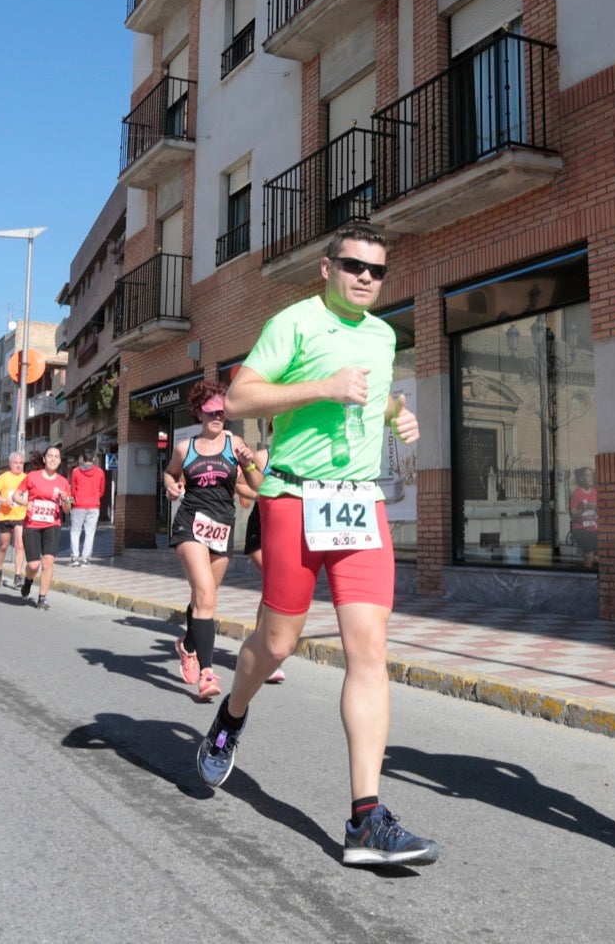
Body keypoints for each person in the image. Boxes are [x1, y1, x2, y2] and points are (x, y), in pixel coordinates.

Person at [195, 225, 436, 868]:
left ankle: (366, 816)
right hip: (293, 498)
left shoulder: (383, 336)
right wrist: (321, 388)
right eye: (353, 265)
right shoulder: (293, 322)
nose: (365, 277)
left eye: (376, 271)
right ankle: (232, 717)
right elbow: (241, 396)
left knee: (369, 650)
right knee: (277, 643)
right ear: (326, 269)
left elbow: (375, 399)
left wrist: (397, 415)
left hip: (358, 503)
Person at [165, 382, 258, 700]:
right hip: (190, 525)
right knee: (205, 594)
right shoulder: (184, 447)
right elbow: (170, 474)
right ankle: (207, 672)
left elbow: (255, 485)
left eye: (222, 411)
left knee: (204, 598)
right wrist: (172, 487)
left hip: (221, 528)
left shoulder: (235, 443)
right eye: (211, 411)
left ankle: (188, 645)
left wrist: (248, 462)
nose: (218, 416)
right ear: (199, 413)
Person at [239, 424, 284, 685]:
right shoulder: (262, 457)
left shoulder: (301, 456)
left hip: (285, 533)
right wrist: (260, 495)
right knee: (273, 586)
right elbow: (241, 485)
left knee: (272, 590)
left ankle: (262, 648)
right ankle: (263, 651)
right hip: (260, 533)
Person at [18, 446, 72, 609]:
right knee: (34, 565)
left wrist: (66, 500)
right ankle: (28, 580)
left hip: (53, 524)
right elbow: (16, 495)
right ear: (44, 459)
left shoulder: (63, 482)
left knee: (48, 561)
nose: (53, 459)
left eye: (56, 457)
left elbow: (67, 509)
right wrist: (26, 503)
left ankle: (42, 597)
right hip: (33, 523)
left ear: (60, 460)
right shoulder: (32, 477)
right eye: (50, 456)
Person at [0, 452, 29, 590]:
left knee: (19, 545)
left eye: (21, 463)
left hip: (20, 516)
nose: (18, 465)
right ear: (10, 464)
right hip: (5, 515)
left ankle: (17, 577)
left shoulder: (26, 478)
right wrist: (4, 500)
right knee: (4, 545)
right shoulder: (4, 477)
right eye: (16, 463)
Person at [67, 450, 108, 566]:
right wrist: (95, 498)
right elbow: (102, 490)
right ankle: (85, 559)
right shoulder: (100, 472)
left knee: (75, 531)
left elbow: (72, 490)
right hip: (94, 506)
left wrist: (71, 503)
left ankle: (74, 558)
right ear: (93, 459)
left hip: (78, 505)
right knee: (90, 532)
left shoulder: (75, 472)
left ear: (82, 459)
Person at [568, 466, 598, 568]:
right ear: (581, 478)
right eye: (588, 475)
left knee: (598, 558)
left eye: (591, 475)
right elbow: (573, 515)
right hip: (580, 528)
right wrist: (584, 508)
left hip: (593, 527)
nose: (591, 478)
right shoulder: (576, 494)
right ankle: (587, 578)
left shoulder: (595, 492)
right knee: (590, 556)